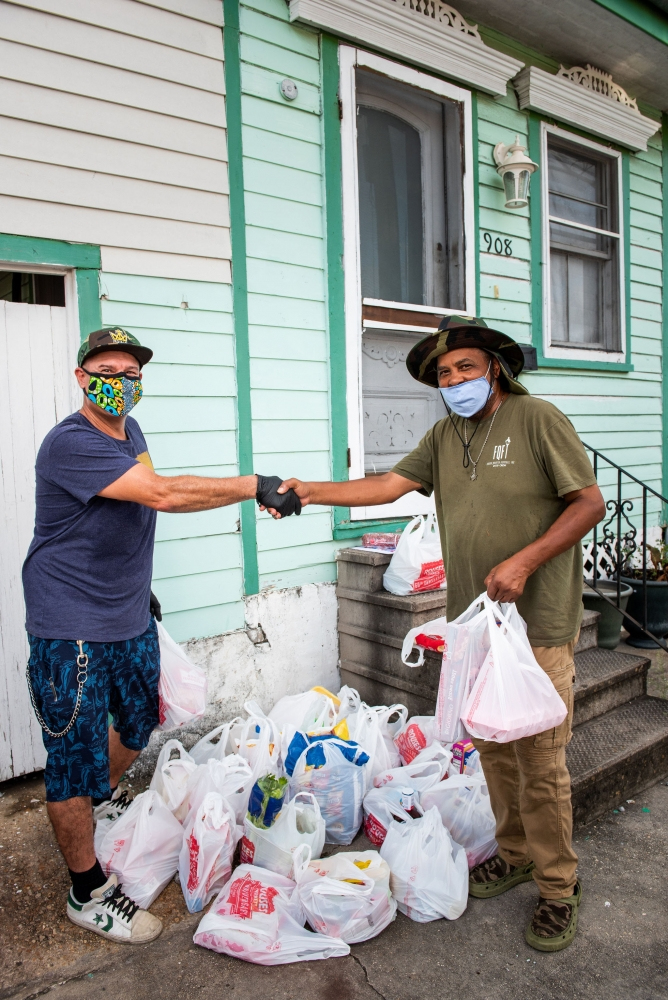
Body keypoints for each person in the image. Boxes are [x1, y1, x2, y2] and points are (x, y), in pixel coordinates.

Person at [272, 315, 605, 953]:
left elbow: (587, 502)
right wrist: (310, 490)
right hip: (476, 626)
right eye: (445, 375)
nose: (454, 381)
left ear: (495, 370)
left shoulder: (539, 421)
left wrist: (525, 561)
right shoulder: (444, 434)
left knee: (539, 761)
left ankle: (559, 887)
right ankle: (514, 855)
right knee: (496, 754)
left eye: (465, 369)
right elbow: (386, 485)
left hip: (538, 626)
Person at [22, 327, 299, 945]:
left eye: (131, 372)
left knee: (141, 719)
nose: (121, 382)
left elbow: (138, 500)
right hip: (72, 630)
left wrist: (135, 585)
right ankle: (87, 889)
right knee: (71, 762)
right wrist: (252, 484)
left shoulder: (130, 431)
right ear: (82, 377)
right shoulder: (70, 442)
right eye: (108, 370)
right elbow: (164, 494)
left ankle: (106, 797)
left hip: (127, 615)